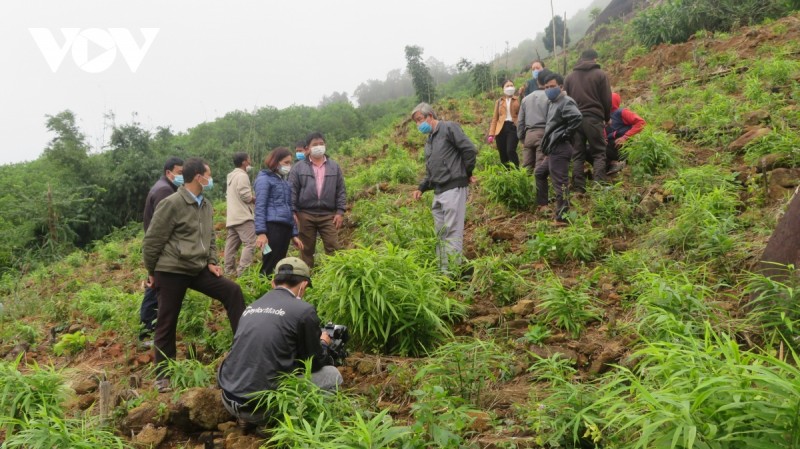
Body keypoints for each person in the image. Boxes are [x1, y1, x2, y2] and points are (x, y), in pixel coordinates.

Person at [143, 157, 246, 393]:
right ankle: (163, 375)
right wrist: (152, 272)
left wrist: (212, 261)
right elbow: (152, 241)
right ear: (198, 177)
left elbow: (210, 238)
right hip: (171, 270)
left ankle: (244, 349)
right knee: (167, 320)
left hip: (197, 268)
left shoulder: (206, 205)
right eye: (208, 175)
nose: (211, 179)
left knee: (232, 291)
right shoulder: (171, 203)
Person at [217, 257, 342, 426]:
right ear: (303, 285)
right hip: (263, 408)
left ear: (272, 283)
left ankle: (247, 420)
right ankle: (285, 424)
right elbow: (315, 362)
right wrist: (324, 343)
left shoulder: (252, 307)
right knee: (333, 375)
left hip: (229, 399)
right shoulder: (303, 310)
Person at [410, 102, 477, 274]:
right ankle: (444, 272)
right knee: (441, 233)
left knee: (453, 231)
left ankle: (454, 272)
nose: (418, 124)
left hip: (453, 187)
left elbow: (469, 149)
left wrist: (466, 173)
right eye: (416, 122)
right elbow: (431, 169)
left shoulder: (448, 128)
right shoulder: (430, 141)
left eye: (420, 120)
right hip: (439, 191)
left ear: (430, 116)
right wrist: (421, 187)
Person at [139, 157, 184, 345]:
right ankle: (147, 332)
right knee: (155, 287)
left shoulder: (163, 187)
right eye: (180, 173)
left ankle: (148, 330)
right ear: (169, 172)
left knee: (156, 287)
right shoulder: (164, 191)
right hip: (161, 248)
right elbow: (163, 225)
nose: (182, 176)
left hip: (159, 247)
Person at [288, 132, 346, 269]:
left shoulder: (334, 166)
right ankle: (305, 280)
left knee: (334, 247)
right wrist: (293, 211)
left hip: (328, 215)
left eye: (321, 144)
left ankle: (336, 276)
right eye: (315, 144)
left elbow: (341, 190)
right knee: (306, 249)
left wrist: (340, 211)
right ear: (308, 148)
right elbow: (291, 191)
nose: (318, 147)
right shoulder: (298, 167)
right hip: (305, 214)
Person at [535, 73, 583, 225]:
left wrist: (565, 134)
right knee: (540, 173)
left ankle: (563, 217)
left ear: (561, 86)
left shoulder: (566, 101)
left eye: (552, 86)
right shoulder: (553, 102)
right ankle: (543, 205)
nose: (549, 89)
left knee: (560, 182)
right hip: (553, 148)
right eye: (546, 87)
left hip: (560, 147)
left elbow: (577, 118)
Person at [563, 48, 612, 192]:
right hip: (593, 118)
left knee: (578, 154)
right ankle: (598, 185)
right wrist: (607, 118)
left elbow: (565, 100)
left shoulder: (569, 77)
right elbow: (607, 99)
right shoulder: (600, 74)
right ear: (594, 59)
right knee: (599, 152)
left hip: (574, 120)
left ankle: (579, 187)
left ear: (581, 58)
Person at [254, 147, 304, 277]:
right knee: (269, 262)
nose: (289, 166)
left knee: (279, 262)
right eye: (286, 162)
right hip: (272, 227)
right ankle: (262, 291)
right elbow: (260, 206)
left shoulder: (283, 181)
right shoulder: (264, 179)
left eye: (290, 162)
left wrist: (294, 234)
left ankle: (274, 291)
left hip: (284, 228)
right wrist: (261, 233)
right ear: (276, 162)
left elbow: (289, 208)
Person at [224, 152, 256, 277]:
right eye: (249, 160)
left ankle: (229, 271)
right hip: (243, 216)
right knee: (250, 243)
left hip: (232, 217)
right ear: (244, 162)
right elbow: (245, 196)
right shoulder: (242, 176)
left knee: (231, 246)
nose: (250, 162)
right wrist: (255, 199)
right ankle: (242, 273)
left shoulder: (231, 176)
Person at [517, 69, 553, 173]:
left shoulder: (526, 99)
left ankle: (523, 187)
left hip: (529, 135)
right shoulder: (550, 98)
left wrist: (521, 138)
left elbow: (520, 121)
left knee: (526, 167)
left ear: (537, 82)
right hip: (543, 135)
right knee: (540, 167)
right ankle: (538, 189)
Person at [606, 92, 646, 175]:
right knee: (589, 148)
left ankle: (622, 162)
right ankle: (611, 165)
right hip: (610, 147)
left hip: (622, 147)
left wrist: (625, 137)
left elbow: (641, 122)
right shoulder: (604, 116)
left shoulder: (622, 112)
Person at [487, 79, 521, 167]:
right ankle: (506, 174)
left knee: (510, 150)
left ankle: (516, 173)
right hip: (500, 129)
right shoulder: (499, 102)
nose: (510, 87)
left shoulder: (518, 100)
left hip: (513, 127)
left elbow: (522, 114)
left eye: (511, 85)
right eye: (507, 86)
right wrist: (491, 134)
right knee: (502, 153)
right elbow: (495, 118)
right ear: (503, 89)